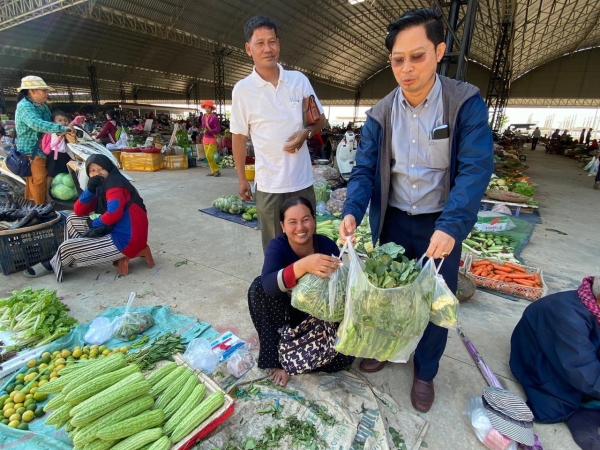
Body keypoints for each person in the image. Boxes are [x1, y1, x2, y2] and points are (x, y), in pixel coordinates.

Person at [337, 9, 493, 412]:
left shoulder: (464, 103)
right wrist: (353, 210)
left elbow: (475, 169)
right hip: (392, 220)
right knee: (388, 294)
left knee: (435, 301)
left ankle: (425, 371)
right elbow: (364, 170)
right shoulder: (380, 113)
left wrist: (452, 225)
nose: (406, 69)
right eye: (397, 59)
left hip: (440, 223)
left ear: (439, 51)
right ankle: (387, 349)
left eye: (417, 56)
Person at [230, 16, 327, 252]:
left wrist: (306, 133)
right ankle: (278, 279)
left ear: (279, 44)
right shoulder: (243, 90)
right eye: (260, 43)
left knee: (307, 243)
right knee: (275, 247)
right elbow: (239, 137)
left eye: (272, 42)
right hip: (269, 185)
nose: (267, 49)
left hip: (302, 180)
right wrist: (242, 179)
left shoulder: (298, 81)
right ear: (249, 49)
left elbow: (320, 120)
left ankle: (308, 278)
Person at [248, 196, 354, 386]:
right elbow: (269, 285)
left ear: (314, 220)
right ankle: (278, 360)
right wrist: (303, 265)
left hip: (316, 316)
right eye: (292, 222)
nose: (300, 227)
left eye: (306, 219)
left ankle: (296, 358)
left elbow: (338, 291)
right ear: (282, 226)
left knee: (343, 358)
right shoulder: (278, 246)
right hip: (285, 314)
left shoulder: (327, 245)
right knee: (258, 288)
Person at [23, 155, 148, 282]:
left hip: (127, 239)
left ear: (109, 168)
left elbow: (113, 214)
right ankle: (68, 255)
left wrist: (94, 223)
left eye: (101, 169)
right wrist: (90, 189)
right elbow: (79, 210)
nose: (97, 173)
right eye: (92, 170)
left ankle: (57, 261)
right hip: (113, 229)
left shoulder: (114, 185)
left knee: (67, 247)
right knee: (72, 218)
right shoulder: (101, 185)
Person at [510, 276, 600, 450]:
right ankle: (586, 414)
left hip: (571, 350)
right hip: (540, 359)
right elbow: (584, 373)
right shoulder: (570, 318)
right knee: (559, 399)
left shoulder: (592, 306)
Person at [14, 76, 75, 205]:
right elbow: (36, 124)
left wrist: (67, 127)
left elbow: (50, 123)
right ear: (32, 91)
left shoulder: (43, 106)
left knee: (35, 179)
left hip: (43, 147)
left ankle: (32, 206)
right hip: (31, 149)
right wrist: (62, 128)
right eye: (44, 90)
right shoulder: (24, 106)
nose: (47, 93)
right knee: (39, 179)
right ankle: (40, 208)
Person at [42, 111, 73, 204]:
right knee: (51, 175)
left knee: (64, 175)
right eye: (60, 120)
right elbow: (65, 130)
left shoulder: (66, 131)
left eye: (65, 120)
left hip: (65, 155)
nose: (63, 122)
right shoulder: (55, 131)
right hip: (55, 155)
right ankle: (46, 194)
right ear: (53, 123)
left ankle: (60, 194)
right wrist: (74, 122)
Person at [200, 100, 222, 177]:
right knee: (208, 157)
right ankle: (213, 171)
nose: (207, 109)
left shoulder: (214, 117)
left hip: (213, 138)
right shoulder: (203, 117)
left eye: (209, 108)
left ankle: (216, 170)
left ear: (211, 109)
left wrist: (210, 131)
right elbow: (203, 126)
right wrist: (203, 130)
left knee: (209, 155)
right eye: (206, 107)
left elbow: (218, 128)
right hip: (205, 138)